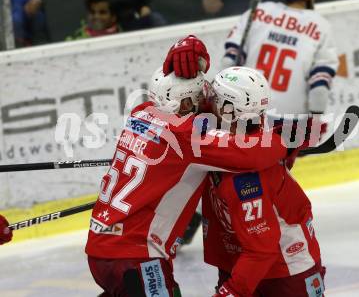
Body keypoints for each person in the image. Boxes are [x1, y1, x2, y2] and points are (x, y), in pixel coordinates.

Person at [85, 35, 288, 296]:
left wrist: (196, 56)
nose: (208, 99)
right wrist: (285, 139)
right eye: (201, 94)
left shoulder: (141, 113)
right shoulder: (187, 136)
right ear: (185, 103)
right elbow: (252, 155)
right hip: (137, 256)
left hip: (101, 250)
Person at [201, 67, 325, 297]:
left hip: (282, 272)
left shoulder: (247, 176)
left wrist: (231, 292)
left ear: (228, 109)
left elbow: (262, 250)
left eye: (215, 99)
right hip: (242, 263)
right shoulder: (242, 139)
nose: (207, 102)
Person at [219, 0, 339, 149]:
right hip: (291, 121)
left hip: (248, 112)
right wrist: (315, 118)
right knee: (283, 173)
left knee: (246, 169)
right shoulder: (320, 26)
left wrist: (222, 103)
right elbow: (319, 86)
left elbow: (229, 62)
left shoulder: (258, 12)